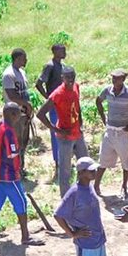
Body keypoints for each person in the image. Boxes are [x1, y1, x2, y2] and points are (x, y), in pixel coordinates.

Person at [0, 103, 43, 247]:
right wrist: (18, 163)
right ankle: (25, 236)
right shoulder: (9, 132)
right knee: (21, 202)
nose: (20, 117)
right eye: (18, 114)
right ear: (12, 115)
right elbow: (12, 154)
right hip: (9, 175)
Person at [35, 66, 89, 196]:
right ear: (62, 78)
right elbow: (40, 114)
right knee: (65, 171)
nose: (70, 79)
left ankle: (82, 192)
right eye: (67, 77)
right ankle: (66, 198)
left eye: (72, 76)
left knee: (85, 164)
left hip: (77, 133)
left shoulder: (76, 86)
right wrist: (56, 129)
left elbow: (77, 104)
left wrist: (80, 121)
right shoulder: (57, 94)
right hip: (65, 137)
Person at [94, 69, 128, 198]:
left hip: (124, 132)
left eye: (117, 78)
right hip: (110, 131)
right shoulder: (108, 90)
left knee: (126, 161)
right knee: (103, 160)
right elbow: (98, 101)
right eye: (113, 78)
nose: (114, 81)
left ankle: (124, 187)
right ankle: (96, 186)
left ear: (123, 79)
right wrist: (103, 118)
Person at [1, 48, 33, 175]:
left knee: (24, 142)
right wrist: (26, 104)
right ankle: (14, 170)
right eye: (24, 58)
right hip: (14, 115)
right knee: (15, 142)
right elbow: (12, 96)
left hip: (24, 113)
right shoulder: (9, 74)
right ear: (17, 58)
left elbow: (24, 93)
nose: (26, 60)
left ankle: (21, 168)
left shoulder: (22, 73)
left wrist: (28, 108)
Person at [35, 43, 67, 167]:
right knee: (55, 131)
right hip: (54, 105)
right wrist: (49, 98)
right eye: (61, 50)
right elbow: (39, 83)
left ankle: (64, 157)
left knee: (64, 129)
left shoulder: (63, 66)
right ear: (54, 52)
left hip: (64, 104)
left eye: (64, 50)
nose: (64, 52)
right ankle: (58, 160)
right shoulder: (50, 66)